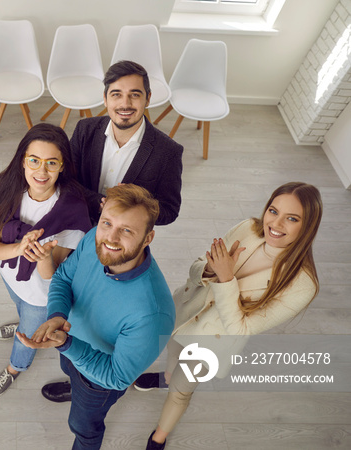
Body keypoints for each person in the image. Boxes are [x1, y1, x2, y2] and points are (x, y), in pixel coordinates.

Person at [135, 182, 323, 450]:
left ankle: (158, 438)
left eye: (292, 219)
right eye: (273, 210)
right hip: (186, 309)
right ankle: (164, 378)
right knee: (172, 350)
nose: (276, 223)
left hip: (210, 344)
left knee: (180, 392)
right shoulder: (247, 228)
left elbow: (239, 328)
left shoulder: (303, 284)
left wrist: (225, 278)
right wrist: (210, 270)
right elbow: (196, 267)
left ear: (307, 227)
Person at [18, 184, 175, 449]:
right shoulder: (96, 239)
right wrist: (57, 316)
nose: (110, 238)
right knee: (68, 369)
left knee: (83, 426)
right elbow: (64, 277)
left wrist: (67, 344)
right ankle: (73, 389)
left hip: (98, 381)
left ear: (148, 238)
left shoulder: (153, 314)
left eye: (127, 230)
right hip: (70, 343)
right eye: (107, 223)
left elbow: (116, 377)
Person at [0, 123, 92, 398]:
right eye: (34, 161)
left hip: (41, 295)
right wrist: (19, 248)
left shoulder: (72, 209)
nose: (41, 171)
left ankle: (16, 367)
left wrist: (44, 256)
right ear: (22, 161)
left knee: (27, 337)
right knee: (20, 306)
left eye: (52, 163)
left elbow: (55, 278)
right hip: (11, 277)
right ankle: (21, 320)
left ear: (63, 166)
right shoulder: (6, 190)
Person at [69, 60, 183, 225]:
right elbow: (66, 180)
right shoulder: (84, 130)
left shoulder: (168, 152)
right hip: (76, 223)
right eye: (116, 94)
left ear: (148, 98)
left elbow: (170, 211)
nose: (125, 104)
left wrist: (137, 204)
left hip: (126, 239)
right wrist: (99, 203)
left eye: (135, 95)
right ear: (105, 98)